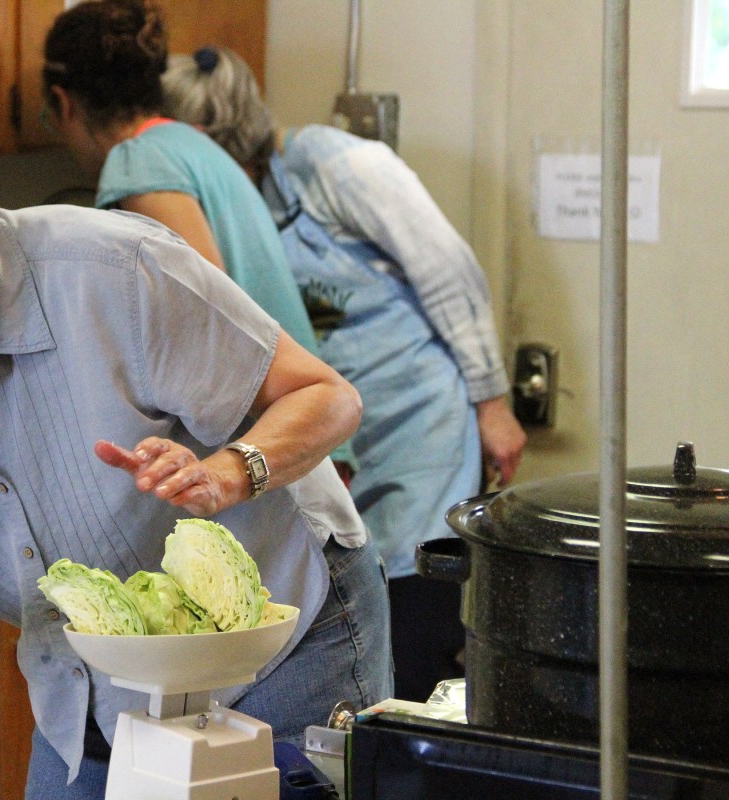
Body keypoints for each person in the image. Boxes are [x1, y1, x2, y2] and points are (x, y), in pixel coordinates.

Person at [0, 87, 392, 799]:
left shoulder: (113, 272)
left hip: (275, 641)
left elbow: (329, 398)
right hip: (88, 688)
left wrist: (228, 473)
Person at [163, 45, 528, 701]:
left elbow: (450, 270)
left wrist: (492, 404)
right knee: (355, 614)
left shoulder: (337, 163)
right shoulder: (235, 206)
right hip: (335, 437)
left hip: (417, 432)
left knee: (414, 627)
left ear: (208, 142)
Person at [39, 0, 360, 474]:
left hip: (276, 449)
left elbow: (203, 318)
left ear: (63, 103)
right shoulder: (188, 144)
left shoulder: (138, 163)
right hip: (305, 435)